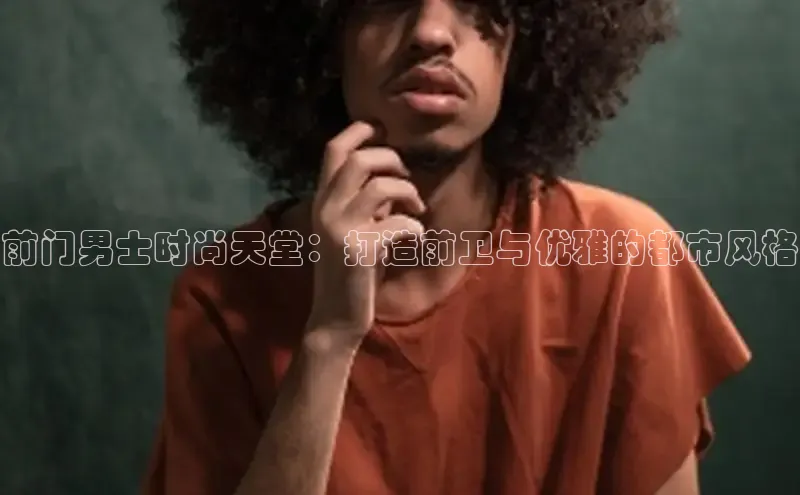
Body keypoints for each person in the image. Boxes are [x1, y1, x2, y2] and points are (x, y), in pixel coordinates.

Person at [143, 1, 751, 494]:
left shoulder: (623, 257)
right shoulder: (225, 294)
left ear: (524, 40)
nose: (431, 32)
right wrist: (328, 337)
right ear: (325, 35)